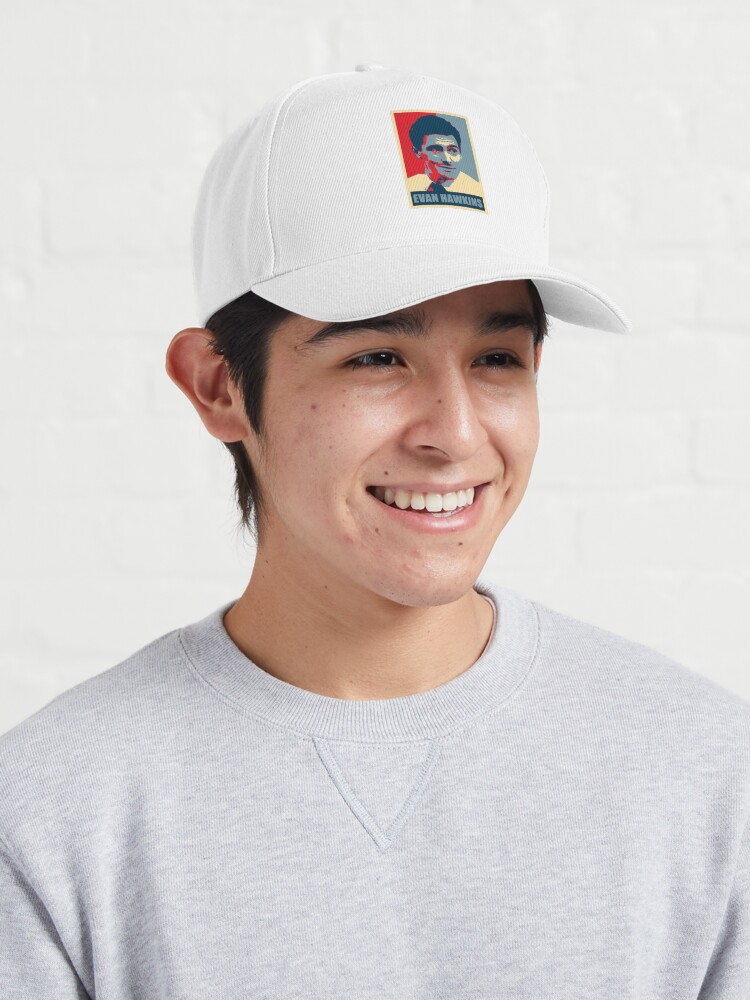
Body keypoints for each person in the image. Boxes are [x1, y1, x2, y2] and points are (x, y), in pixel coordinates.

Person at [0, 64, 748, 999]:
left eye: (497, 358)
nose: (456, 434)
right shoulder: (51, 817)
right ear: (219, 385)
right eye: (378, 357)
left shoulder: (711, 776)